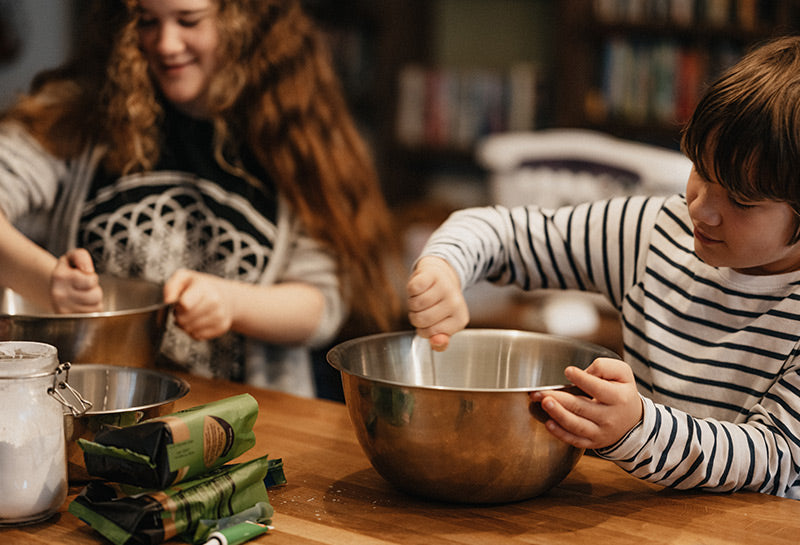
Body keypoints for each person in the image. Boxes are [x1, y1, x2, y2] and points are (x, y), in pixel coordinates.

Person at [407, 36, 800, 499]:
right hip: (641, 518)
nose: (702, 209)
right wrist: (445, 267)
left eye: (740, 200)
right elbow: (500, 232)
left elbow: (776, 457)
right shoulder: (654, 232)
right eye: (700, 170)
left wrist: (637, 428)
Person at [0, 0, 400, 396]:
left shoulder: (293, 135)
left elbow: (321, 308)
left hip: (243, 420)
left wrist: (231, 303)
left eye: (188, 20)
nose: (166, 44)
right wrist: (47, 281)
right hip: (87, 404)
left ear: (242, 19)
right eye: (147, 21)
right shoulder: (78, 114)